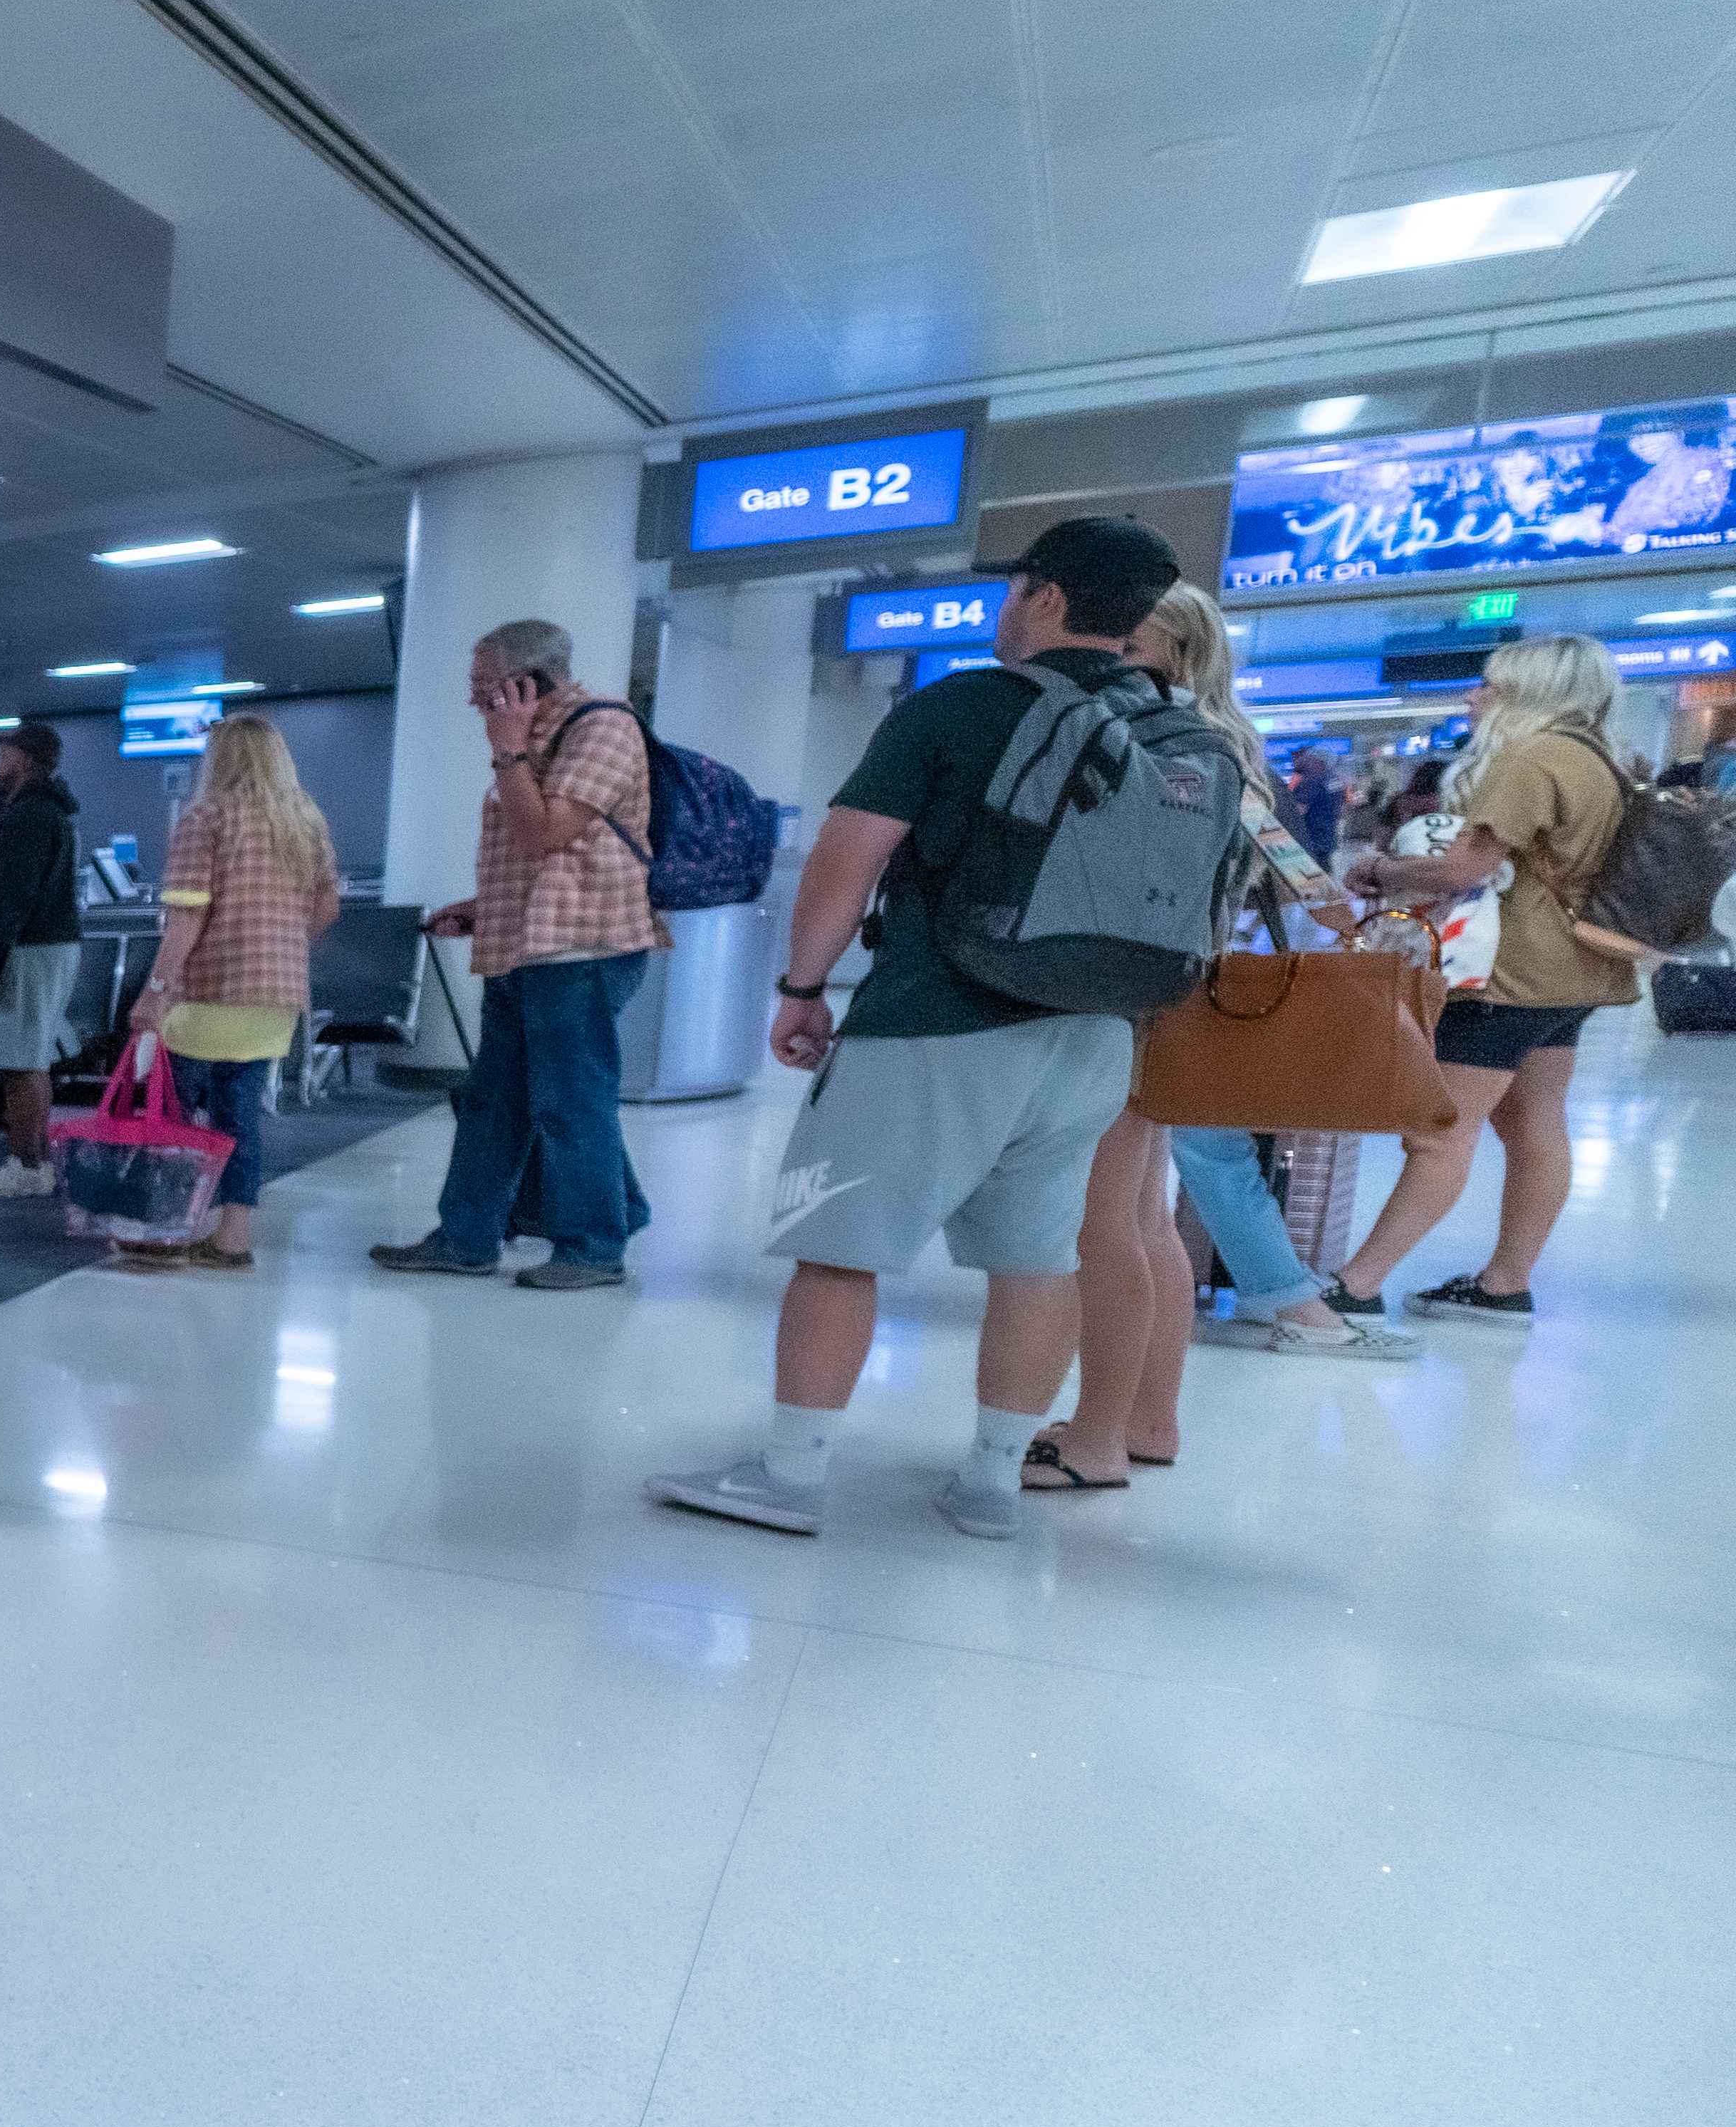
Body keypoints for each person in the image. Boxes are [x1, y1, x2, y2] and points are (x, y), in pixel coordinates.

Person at [651, 517, 1200, 1543]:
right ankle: (991, 1484)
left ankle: (791, 1474)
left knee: (839, 1248)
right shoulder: (1169, 728)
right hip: (1094, 1040)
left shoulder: (962, 707)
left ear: (1042, 598)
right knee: (1038, 1261)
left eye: (1015, 591)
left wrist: (803, 987)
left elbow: (846, 858)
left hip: (937, 1022)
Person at [1024, 584, 1405, 1495]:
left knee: (1105, 1222)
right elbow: (1301, 882)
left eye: (1130, 634)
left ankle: (1097, 1435)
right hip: (1183, 992)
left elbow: (1295, 882)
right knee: (1142, 1218)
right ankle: (1144, 1420)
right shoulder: (1226, 739)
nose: (1109, 644)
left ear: (1176, 647)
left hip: (1133, 997)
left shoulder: (1171, 741)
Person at [1322, 635, 1637, 1328]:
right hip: (1577, 969)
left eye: (1488, 686)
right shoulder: (1601, 760)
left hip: (1508, 974)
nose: (1473, 696)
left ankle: (1356, 1283)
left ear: (1530, 694)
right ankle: (1504, 1283)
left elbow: (1459, 870)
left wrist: (1379, 872)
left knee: (1439, 1131)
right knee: (1533, 1123)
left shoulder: (1531, 757)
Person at [371, 619, 660, 1289]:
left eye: (485, 686)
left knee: (570, 1101)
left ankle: (593, 1247)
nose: (475, 701)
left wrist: (506, 752)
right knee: (493, 1101)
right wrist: (481, 906)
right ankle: (467, 1238)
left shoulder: (602, 727)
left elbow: (547, 834)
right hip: (525, 949)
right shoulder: (538, 740)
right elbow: (547, 861)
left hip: (582, 954)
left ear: (529, 681)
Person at [120, 712, 337, 1271]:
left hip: (208, 992)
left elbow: (187, 919)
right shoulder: (306, 820)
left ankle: (170, 1227)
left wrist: (155, 990)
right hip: (276, 998)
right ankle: (232, 1236)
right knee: (240, 1116)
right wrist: (280, 948)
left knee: (173, 1114)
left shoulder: (206, 817)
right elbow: (327, 909)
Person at [0, 720, 86, 1199]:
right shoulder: (49, 812)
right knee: (32, 1058)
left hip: (29, 949)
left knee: (19, 1062)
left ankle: (25, 1164)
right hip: (50, 945)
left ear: (26, 760)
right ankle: (36, 1164)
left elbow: (10, 897)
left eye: (6, 752)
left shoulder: (28, 815)